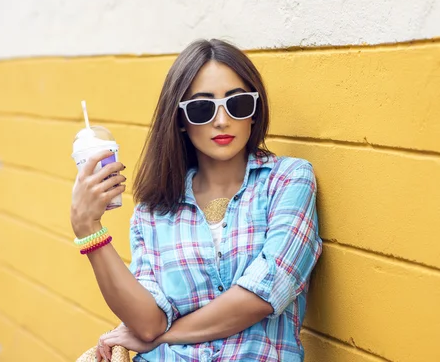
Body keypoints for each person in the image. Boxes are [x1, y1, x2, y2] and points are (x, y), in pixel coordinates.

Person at [70, 39, 323, 361]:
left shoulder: (289, 180)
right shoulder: (155, 209)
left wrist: (165, 335)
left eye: (238, 104)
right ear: (180, 119)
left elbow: (266, 293)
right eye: (203, 108)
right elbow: (147, 323)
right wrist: (88, 227)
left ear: (254, 113)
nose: (221, 120)